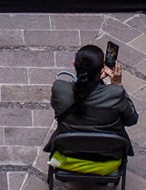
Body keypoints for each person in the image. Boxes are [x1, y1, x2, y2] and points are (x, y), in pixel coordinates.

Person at [48, 43, 136, 171]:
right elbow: (132, 119)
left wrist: (93, 82)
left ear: (74, 63)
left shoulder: (59, 89)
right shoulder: (115, 94)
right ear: (101, 69)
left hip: (67, 155)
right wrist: (117, 85)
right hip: (107, 159)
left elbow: (57, 105)